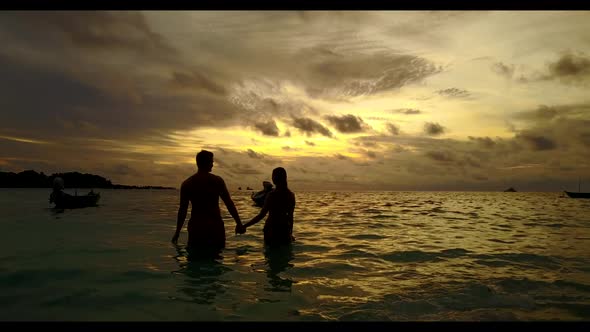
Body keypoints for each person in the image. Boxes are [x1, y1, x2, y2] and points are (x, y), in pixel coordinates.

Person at [172, 150, 245, 252]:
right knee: (217, 259)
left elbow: (183, 210)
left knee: (195, 260)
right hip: (215, 226)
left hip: (197, 227)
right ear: (206, 163)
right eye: (211, 161)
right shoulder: (217, 181)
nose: (212, 164)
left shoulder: (187, 183)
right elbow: (229, 203)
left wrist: (177, 232)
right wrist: (239, 223)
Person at [241, 167, 295, 247]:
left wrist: (245, 226)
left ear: (274, 178)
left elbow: (261, 215)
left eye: (273, 176)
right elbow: (290, 217)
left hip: (271, 230)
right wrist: (290, 233)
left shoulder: (272, 195)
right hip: (284, 231)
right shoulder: (291, 195)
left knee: (270, 257)